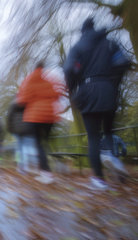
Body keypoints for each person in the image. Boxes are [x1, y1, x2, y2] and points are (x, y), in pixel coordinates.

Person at [64, 18, 131, 189]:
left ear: (83, 31)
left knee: (93, 137)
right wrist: (113, 83)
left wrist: (73, 90)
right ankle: (111, 156)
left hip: (87, 91)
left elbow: (69, 69)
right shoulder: (110, 44)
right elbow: (123, 62)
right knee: (108, 131)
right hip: (108, 90)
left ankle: (99, 180)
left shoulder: (77, 47)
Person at [16, 61, 62, 184]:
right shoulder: (50, 78)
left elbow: (22, 100)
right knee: (45, 142)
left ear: (35, 67)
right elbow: (58, 93)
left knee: (39, 144)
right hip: (50, 116)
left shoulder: (29, 79)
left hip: (35, 116)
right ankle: (46, 170)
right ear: (43, 67)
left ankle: (46, 173)